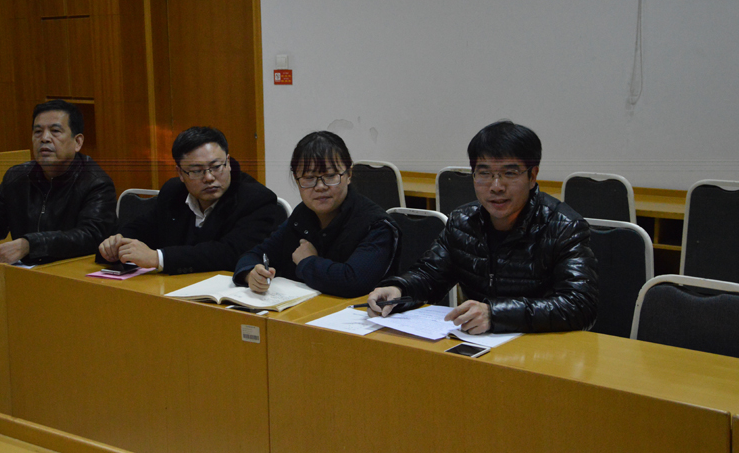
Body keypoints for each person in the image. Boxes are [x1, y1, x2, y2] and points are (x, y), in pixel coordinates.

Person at [367, 120, 598, 333]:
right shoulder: (462, 222)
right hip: (478, 345)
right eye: (484, 173)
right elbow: (430, 276)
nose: (496, 186)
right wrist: (399, 290)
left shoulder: (564, 227)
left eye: (510, 173)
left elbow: (580, 306)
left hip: (541, 348)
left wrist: (495, 314)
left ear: (532, 176)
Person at [0, 99, 117, 264]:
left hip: (71, 272)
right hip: (25, 272)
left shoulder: (96, 183)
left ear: (77, 142)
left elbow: (91, 237)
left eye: (55, 131)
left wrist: (29, 245)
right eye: (38, 132)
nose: (44, 138)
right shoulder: (17, 177)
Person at [233, 131, 401, 298]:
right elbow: (255, 255)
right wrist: (251, 274)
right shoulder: (302, 215)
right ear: (296, 179)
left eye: (330, 176)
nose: (320, 186)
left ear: (349, 174)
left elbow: (353, 282)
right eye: (309, 177)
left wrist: (307, 261)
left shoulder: (376, 224)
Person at [98, 126, 278, 275]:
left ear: (228, 162)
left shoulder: (256, 199)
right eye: (196, 171)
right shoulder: (173, 192)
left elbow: (229, 253)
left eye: (216, 166)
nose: (209, 178)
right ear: (180, 173)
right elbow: (145, 227)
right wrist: (117, 244)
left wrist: (158, 258)